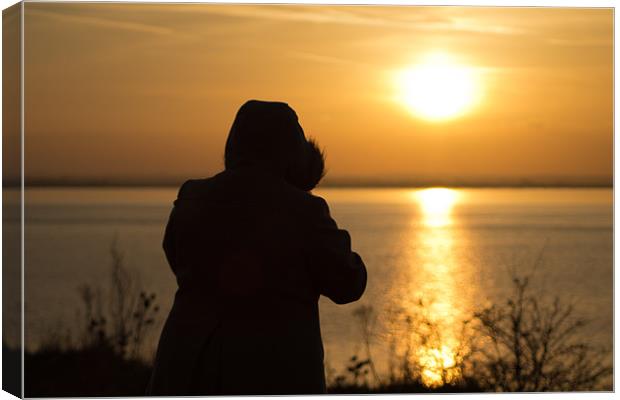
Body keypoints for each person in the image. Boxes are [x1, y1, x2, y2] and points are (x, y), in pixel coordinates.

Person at [146, 100, 367, 395]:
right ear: (291, 151)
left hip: (186, 366)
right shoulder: (303, 210)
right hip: (272, 371)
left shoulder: (191, 198)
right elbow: (347, 283)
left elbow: (176, 258)